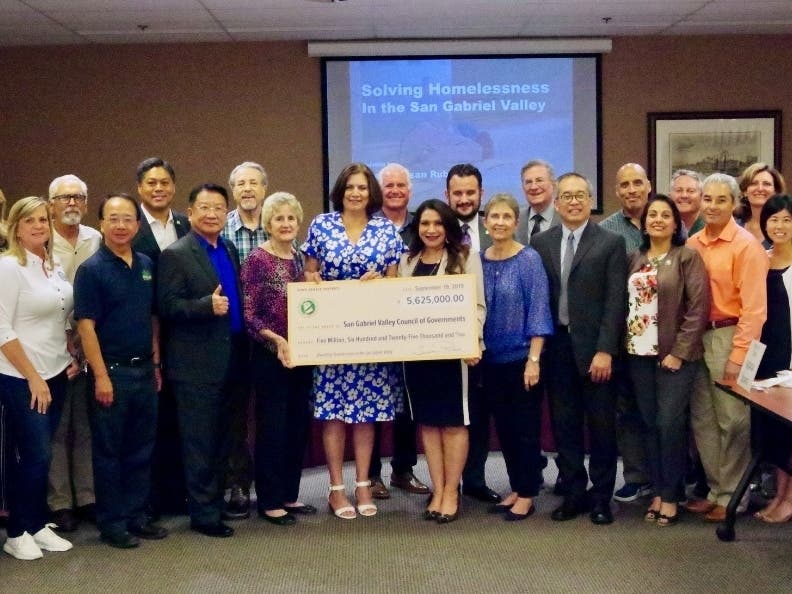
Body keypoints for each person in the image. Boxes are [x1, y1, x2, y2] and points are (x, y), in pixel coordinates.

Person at [301, 163, 403, 520]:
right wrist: (312, 279)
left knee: (365, 415)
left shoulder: (386, 229)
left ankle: (362, 484)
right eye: (350, 188)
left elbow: (396, 283)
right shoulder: (321, 225)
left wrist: (381, 283)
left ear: (370, 192)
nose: (356, 193)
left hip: (371, 338)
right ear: (340, 191)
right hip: (331, 338)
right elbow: (309, 271)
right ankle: (335, 488)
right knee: (333, 414)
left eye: (362, 187)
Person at [532, 172, 627, 525]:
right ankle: (574, 493)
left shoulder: (610, 242)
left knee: (601, 427)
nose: (573, 201)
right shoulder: (541, 243)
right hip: (556, 349)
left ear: (591, 201)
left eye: (580, 195)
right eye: (567, 196)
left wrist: (605, 350)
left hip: (596, 352)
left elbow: (616, 302)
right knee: (564, 426)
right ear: (556, 203)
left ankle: (601, 497)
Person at [75, 193, 167, 548]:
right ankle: (112, 524)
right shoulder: (91, 270)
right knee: (109, 453)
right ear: (101, 224)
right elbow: (86, 328)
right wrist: (100, 376)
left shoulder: (144, 263)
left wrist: (156, 362)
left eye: (127, 219)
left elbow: (151, 317)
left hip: (145, 371)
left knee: (141, 450)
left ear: (137, 225)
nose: (120, 225)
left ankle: (136, 516)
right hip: (110, 374)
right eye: (113, 219)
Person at [158, 183, 246, 538]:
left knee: (223, 439)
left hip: (232, 358)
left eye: (219, 208)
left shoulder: (226, 247)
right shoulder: (176, 254)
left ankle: (215, 501)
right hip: (195, 365)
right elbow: (167, 307)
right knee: (200, 443)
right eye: (204, 208)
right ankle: (204, 515)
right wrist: (204, 307)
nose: (212, 214)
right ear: (190, 212)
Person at [685, 173, 768, 523]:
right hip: (696, 338)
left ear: (735, 204)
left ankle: (734, 495)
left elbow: (755, 310)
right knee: (703, 419)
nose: (713, 206)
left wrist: (738, 357)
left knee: (733, 421)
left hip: (730, 335)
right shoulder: (693, 243)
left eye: (722, 200)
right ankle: (716, 489)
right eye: (708, 199)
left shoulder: (745, 245)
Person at [0, 196, 78, 560]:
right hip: (21, 376)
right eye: (29, 220)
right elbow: (2, 330)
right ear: (16, 227)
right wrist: (33, 377)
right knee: (36, 453)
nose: (38, 226)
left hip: (56, 371)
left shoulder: (53, 265)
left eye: (44, 220)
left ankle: (34, 524)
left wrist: (69, 356)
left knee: (42, 457)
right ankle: (16, 531)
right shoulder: (8, 268)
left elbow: (61, 317)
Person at [625, 195, 710, 526]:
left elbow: (697, 310)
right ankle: (658, 492)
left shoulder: (687, 257)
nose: (657, 219)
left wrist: (678, 353)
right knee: (648, 425)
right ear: (644, 223)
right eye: (652, 215)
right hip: (637, 354)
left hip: (674, 357)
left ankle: (672, 495)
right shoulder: (634, 258)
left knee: (669, 425)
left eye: (665, 215)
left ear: (677, 224)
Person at [400, 199, 486, 523]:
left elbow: (478, 307)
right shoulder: (407, 261)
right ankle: (437, 490)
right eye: (425, 224)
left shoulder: (465, 258)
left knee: (452, 423)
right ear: (417, 228)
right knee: (428, 423)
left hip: (454, 357)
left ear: (447, 227)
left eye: (437, 223)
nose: (431, 230)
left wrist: (473, 342)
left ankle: (452, 491)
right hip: (418, 357)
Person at [241, 192, 315, 526]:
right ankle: (269, 500)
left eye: (291, 218)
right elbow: (250, 315)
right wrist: (277, 340)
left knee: (297, 426)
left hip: (302, 356)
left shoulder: (300, 260)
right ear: (268, 224)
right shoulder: (258, 260)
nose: (285, 224)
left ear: (298, 223)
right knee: (273, 428)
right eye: (278, 219)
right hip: (271, 357)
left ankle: (289, 494)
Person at [481, 193, 552, 521]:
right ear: (485, 222)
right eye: (493, 217)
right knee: (505, 429)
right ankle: (516, 486)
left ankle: (527, 493)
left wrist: (534, 360)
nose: (499, 222)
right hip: (490, 361)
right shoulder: (479, 260)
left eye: (506, 217)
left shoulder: (529, 260)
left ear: (516, 222)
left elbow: (539, 310)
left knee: (525, 428)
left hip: (523, 360)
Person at [132, 157, 190, 519]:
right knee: (147, 425)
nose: (158, 188)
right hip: (142, 336)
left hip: (184, 338)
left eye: (165, 182)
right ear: (140, 188)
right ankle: (147, 500)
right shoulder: (129, 226)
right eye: (151, 183)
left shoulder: (186, 225)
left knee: (177, 419)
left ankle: (175, 495)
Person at [368, 162, 429, 499]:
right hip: (375, 327)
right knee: (376, 403)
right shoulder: (368, 226)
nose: (394, 191)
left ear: (410, 191)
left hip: (412, 327)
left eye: (400, 186)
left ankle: (403, 470)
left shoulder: (423, 224)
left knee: (407, 403)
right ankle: (372, 476)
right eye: (388, 186)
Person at [46, 174, 102, 534]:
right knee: (58, 427)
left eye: (78, 197)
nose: (71, 203)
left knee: (86, 426)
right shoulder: (39, 238)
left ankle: (87, 497)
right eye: (64, 197)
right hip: (50, 345)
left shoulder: (95, 239)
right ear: (51, 203)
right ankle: (59, 502)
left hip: (90, 341)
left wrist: (83, 345)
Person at [445, 163, 500, 504]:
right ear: (446, 195)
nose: (464, 199)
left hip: (495, 337)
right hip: (447, 341)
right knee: (449, 415)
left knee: (480, 412)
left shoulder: (498, 227)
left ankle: (476, 480)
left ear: (481, 194)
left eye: (470, 193)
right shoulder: (434, 230)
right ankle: (447, 482)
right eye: (457, 193)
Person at [599, 163, 653, 503]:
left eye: (637, 182)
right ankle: (635, 476)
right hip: (624, 337)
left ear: (648, 185)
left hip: (664, 339)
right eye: (624, 185)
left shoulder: (665, 219)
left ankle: (670, 476)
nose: (631, 189)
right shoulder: (607, 231)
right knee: (628, 410)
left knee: (663, 412)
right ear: (617, 191)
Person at [220, 161, 269, 519]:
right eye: (241, 184)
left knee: (270, 413)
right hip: (234, 338)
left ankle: (272, 486)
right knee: (234, 415)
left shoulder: (281, 225)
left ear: (264, 189)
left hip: (271, 339)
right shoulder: (220, 232)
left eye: (254, 183)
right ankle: (237, 484)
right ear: (233, 191)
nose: (248, 189)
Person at [752, 194, 792, 523]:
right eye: (773, 219)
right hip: (766, 358)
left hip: (791, 360)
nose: (779, 226)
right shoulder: (761, 259)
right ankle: (779, 495)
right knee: (775, 432)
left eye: (786, 220)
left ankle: (789, 499)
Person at [736, 162, 786, 247]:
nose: (760, 189)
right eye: (753, 183)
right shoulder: (734, 228)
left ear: (776, 192)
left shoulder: (787, 228)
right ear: (745, 192)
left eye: (766, 184)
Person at [515, 159, 561, 245]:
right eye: (528, 182)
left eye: (539, 180)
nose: (533, 187)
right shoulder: (515, 219)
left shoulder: (565, 218)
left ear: (553, 184)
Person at [670, 169, 705, 235]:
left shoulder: (711, 226)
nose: (684, 195)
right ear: (670, 195)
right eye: (678, 190)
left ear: (701, 195)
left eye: (691, 191)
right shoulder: (664, 227)